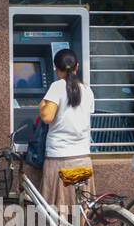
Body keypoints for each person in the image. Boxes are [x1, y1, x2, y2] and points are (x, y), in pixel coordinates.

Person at [38, 48, 96, 213]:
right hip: (82, 157)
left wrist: (42, 103)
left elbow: (47, 117)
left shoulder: (57, 86)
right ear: (77, 66)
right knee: (81, 207)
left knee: (59, 208)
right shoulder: (87, 90)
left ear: (57, 69)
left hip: (59, 158)